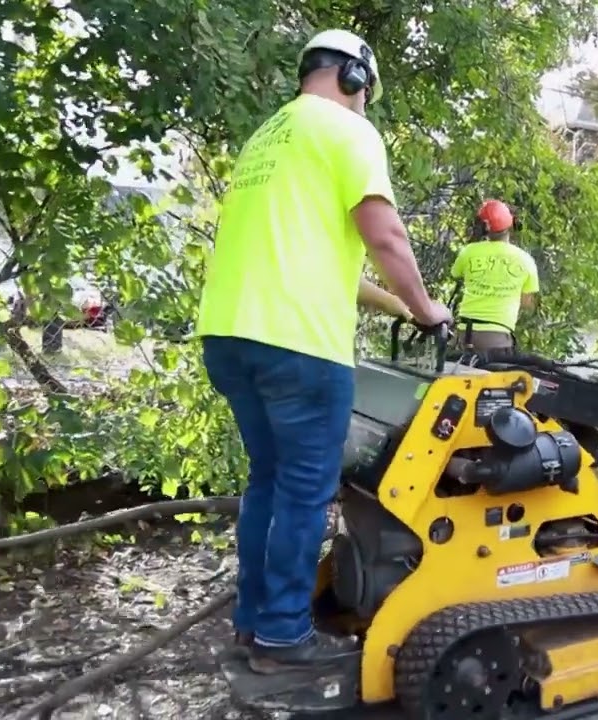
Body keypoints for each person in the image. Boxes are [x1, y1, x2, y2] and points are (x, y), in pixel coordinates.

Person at [194, 29, 451, 675]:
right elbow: (385, 236)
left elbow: (315, 260)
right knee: (306, 494)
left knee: (269, 485)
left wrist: (396, 306)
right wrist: (428, 310)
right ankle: (284, 640)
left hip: (229, 337)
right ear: (355, 77)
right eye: (366, 94)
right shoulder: (346, 130)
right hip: (297, 346)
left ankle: (253, 624)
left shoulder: (269, 139)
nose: (366, 106)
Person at [449, 200, 539, 350]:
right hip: (498, 336)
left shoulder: (469, 251)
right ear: (511, 224)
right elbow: (527, 303)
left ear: (484, 227)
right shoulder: (526, 260)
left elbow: (456, 273)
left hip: (465, 332)